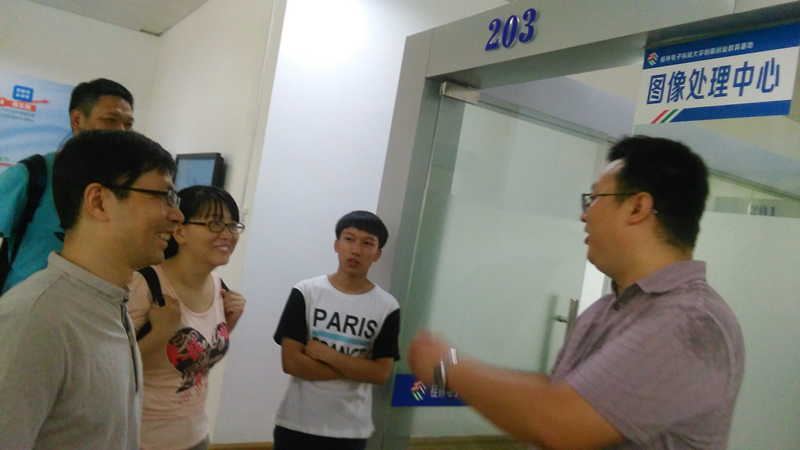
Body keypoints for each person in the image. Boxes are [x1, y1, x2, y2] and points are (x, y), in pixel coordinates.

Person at [407, 136, 745, 450]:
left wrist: (447, 368)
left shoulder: (691, 322)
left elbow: (560, 421)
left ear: (638, 207)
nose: (585, 214)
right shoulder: (607, 309)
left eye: (595, 198)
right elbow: (556, 392)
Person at [0, 130, 183, 449]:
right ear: (98, 202)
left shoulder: (110, 301)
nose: (177, 215)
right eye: (163, 196)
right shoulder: (35, 320)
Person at [127, 185, 247, 450]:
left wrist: (230, 323)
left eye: (232, 225)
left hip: (195, 437)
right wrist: (159, 333)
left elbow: (198, 361)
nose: (227, 234)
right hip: (142, 440)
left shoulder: (218, 286)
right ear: (179, 231)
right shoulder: (144, 285)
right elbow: (112, 366)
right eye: (215, 224)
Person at [272, 210, 401, 450]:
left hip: (350, 429)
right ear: (336, 244)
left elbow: (379, 374)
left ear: (377, 254)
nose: (356, 250)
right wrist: (356, 367)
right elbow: (291, 363)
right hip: (296, 422)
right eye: (349, 239)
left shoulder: (387, 306)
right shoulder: (305, 292)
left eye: (367, 243)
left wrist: (326, 355)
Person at [0, 78, 135, 293]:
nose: (121, 132)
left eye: (128, 124)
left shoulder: (126, 187)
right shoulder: (30, 176)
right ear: (77, 119)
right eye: (110, 120)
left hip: (89, 309)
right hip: (23, 308)